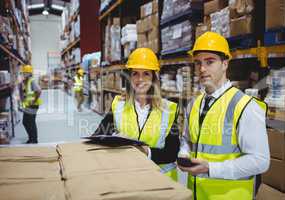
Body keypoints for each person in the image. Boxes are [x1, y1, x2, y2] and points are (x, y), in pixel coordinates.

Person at [177, 32, 270, 200]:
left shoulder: (245, 106)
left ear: (225, 64)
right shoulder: (193, 104)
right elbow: (187, 140)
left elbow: (260, 161)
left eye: (209, 62)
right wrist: (184, 154)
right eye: (197, 63)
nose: (202, 69)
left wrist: (211, 168)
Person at [93, 48, 180, 181]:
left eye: (146, 74)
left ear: (153, 78)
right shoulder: (118, 105)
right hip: (129, 177)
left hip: (160, 181)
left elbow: (172, 153)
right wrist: (115, 139)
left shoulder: (168, 109)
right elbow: (98, 137)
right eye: (135, 74)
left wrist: (147, 152)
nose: (140, 79)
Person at [19, 65, 42, 144]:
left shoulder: (32, 81)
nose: (23, 74)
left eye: (25, 72)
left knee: (30, 122)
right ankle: (31, 138)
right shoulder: (26, 81)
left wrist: (34, 100)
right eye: (23, 72)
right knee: (26, 122)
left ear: (29, 73)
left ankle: (34, 140)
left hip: (33, 105)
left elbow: (39, 91)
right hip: (28, 105)